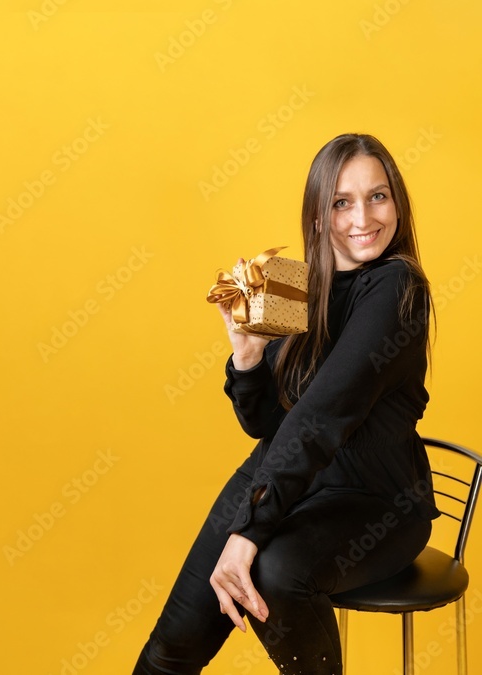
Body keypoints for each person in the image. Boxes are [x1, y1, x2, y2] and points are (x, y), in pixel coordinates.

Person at [132, 133, 440, 674]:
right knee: (172, 648)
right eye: (341, 202)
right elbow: (267, 424)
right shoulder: (302, 287)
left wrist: (249, 531)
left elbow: (322, 417)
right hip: (287, 484)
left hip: (375, 502)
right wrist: (248, 356)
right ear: (318, 217)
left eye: (378, 196)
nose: (363, 218)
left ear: (397, 203)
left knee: (275, 572)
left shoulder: (396, 287)